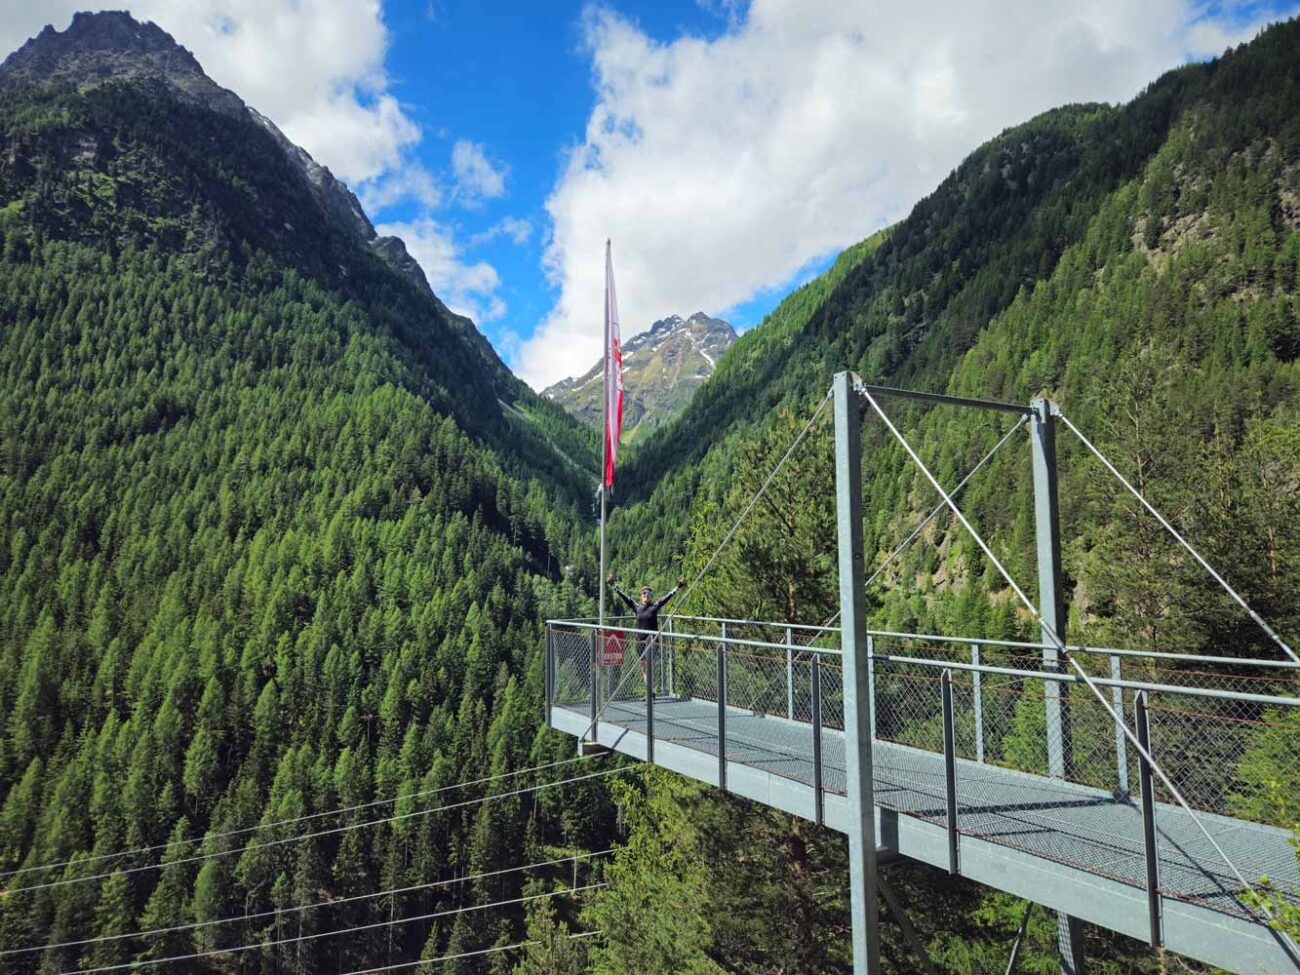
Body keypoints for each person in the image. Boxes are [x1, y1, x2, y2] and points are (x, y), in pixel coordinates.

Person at [608, 574, 684, 689]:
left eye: (648, 594)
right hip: (640, 642)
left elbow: (666, 598)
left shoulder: (654, 607)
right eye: (644, 594)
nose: (646, 595)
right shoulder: (637, 607)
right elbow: (624, 597)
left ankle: (651, 691)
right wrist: (614, 586)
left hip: (652, 642)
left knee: (651, 667)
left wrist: (677, 587)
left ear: (651, 596)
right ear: (641, 596)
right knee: (643, 667)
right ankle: (649, 691)